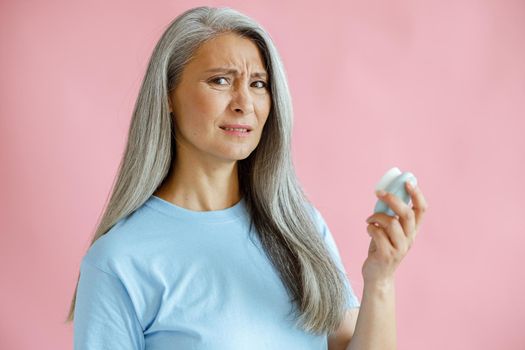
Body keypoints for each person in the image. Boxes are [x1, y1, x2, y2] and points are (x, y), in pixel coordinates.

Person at [65, 6, 428, 350]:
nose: (244, 103)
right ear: (167, 95)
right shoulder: (118, 261)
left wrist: (380, 279)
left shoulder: (300, 228)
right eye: (221, 80)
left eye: (258, 84)